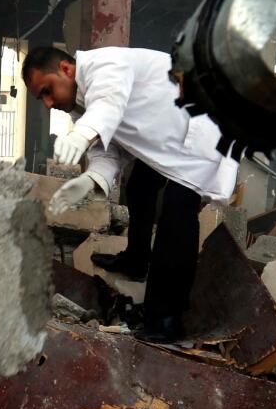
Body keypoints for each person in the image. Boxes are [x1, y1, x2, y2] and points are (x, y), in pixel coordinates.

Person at [22, 46, 238, 343]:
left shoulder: (104, 65)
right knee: (139, 187)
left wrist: (82, 134)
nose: (47, 103)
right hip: (171, 142)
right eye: (41, 98)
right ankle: (137, 261)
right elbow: (108, 152)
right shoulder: (83, 105)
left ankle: (166, 319)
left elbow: (109, 106)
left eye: (47, 90)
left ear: (66, 69)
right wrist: (91, 179)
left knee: (177, 213)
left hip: (202, 132)